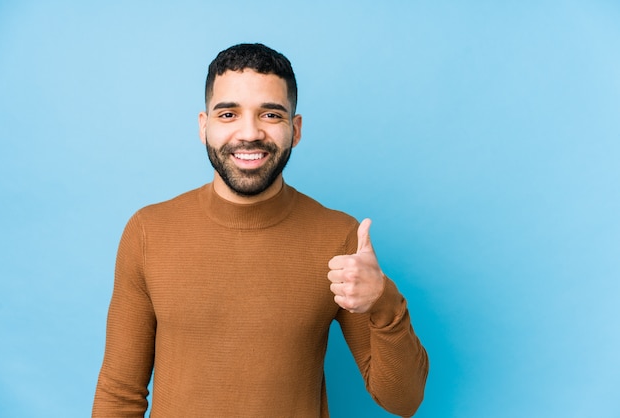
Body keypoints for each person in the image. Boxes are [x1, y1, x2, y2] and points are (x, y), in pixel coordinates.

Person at [92, 43, 428, 417]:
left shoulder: (340, 237)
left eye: (270, 114)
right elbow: (120, 393)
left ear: (295, 129)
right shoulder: (148, 231)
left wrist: (383, 297)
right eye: (228, 114)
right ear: (204, 127)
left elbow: (404, 400)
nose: (249, 133)